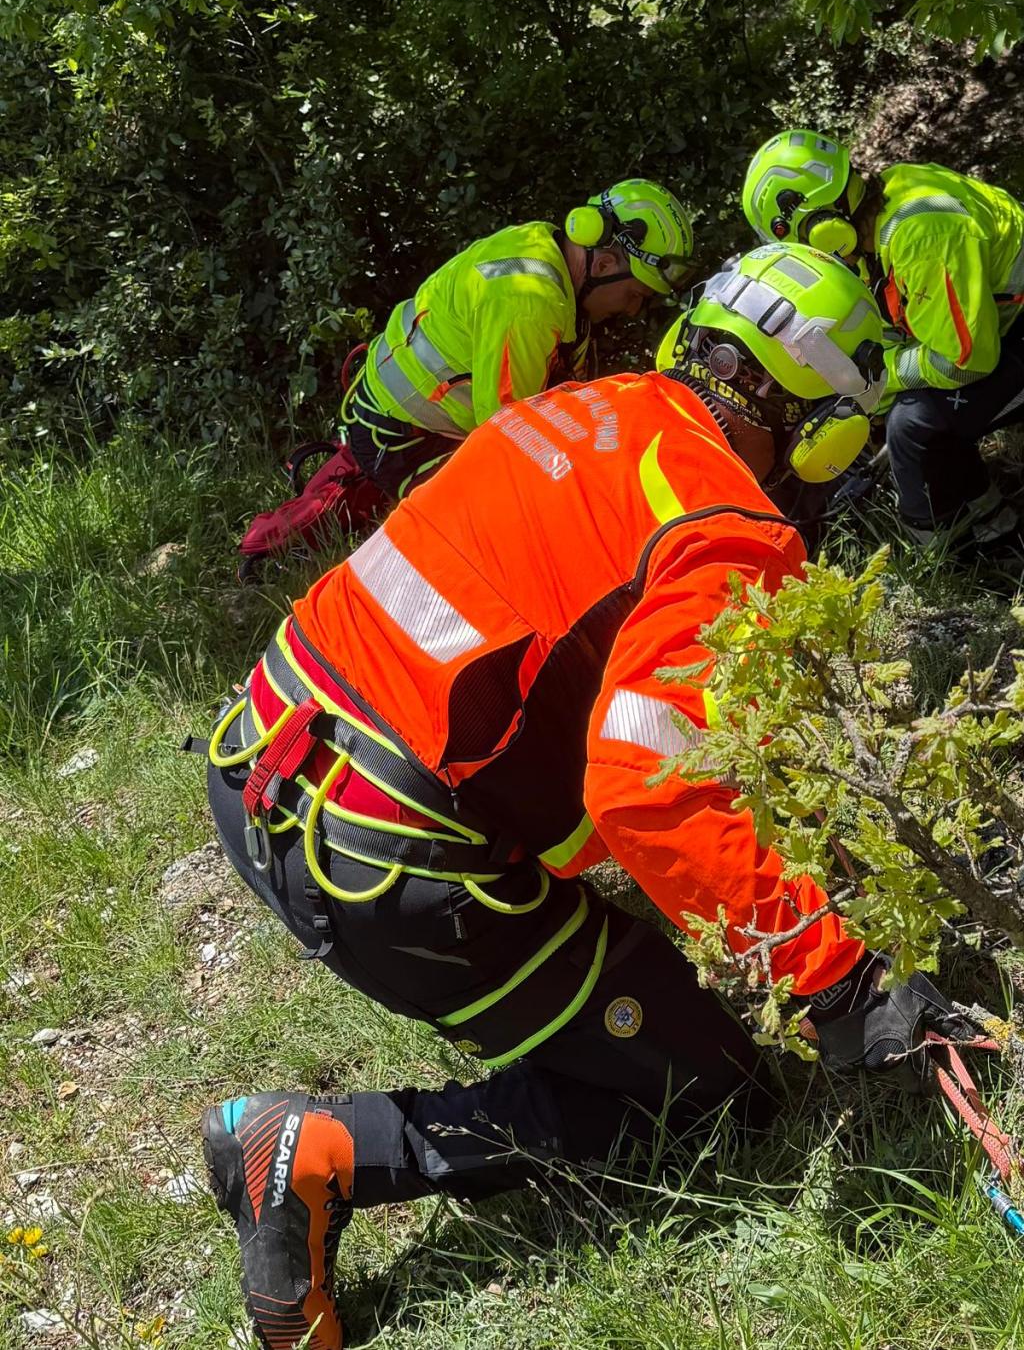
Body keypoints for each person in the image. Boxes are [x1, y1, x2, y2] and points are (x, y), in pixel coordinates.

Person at [197, 243, 972, 1350]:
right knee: (715, 1086)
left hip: (262, 757)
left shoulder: (591, 404)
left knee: (646, 999)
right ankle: (319, 1149)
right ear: (822, 425)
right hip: (380, 853)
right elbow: (643, 783)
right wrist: (836, 978)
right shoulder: (725, 525)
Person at [237, 180, 693, 574]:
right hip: (402, 437)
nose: (632, 309)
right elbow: (510, 442)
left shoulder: (541, 244)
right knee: (507, 533)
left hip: (394, 416)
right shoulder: (530, 300)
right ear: (607, 264)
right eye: (635, 294)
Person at [741, 128, 1024, 553]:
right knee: (913, 407)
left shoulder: (920, 231)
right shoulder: (882, 213)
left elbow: (964, 361)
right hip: (1005, 325)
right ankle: (988, 517)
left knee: (913, 424)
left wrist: (876, 381)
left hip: (1006, 334)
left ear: (821, 226)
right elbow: (905, 325)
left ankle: (966, 554)